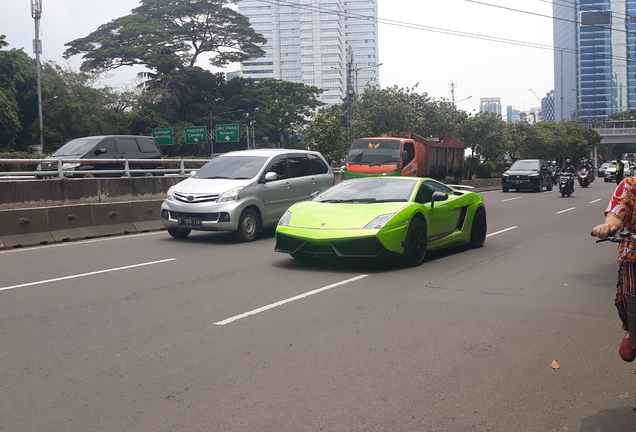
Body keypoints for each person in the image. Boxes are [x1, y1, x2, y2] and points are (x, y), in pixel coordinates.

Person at [592, 177, 636, 362]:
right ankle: (632, 330)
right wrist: (608, 226)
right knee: (628, 295)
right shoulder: (630, 186)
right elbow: (616, 213)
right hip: (633, 255)